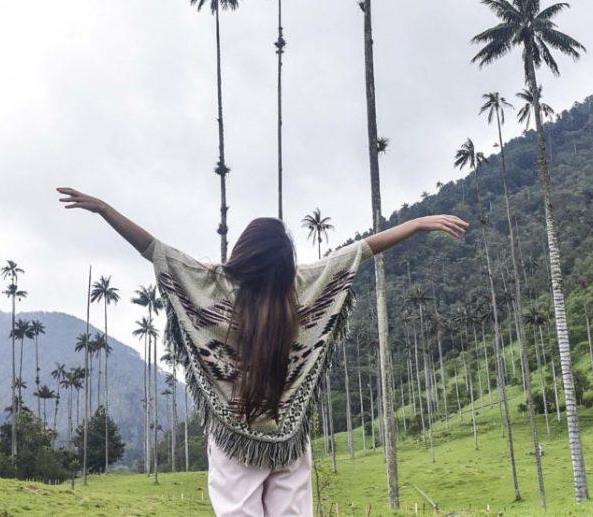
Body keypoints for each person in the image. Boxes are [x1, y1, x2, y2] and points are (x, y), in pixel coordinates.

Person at [57, 187, 468, 516]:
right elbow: (359, 251)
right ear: (284, 261)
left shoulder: (214, 285)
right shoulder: (302, 289)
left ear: (243, 251)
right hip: (289, 435)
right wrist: (415, 224)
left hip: (235, 439)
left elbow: (155, 250)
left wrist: (105, 210)